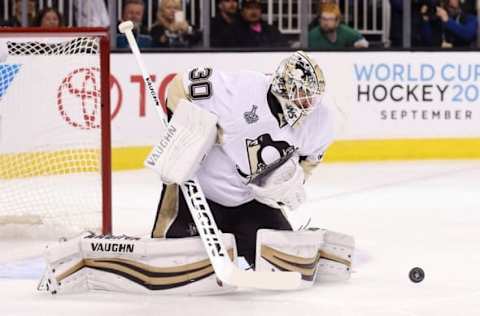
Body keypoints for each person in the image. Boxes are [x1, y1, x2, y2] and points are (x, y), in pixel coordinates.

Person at [38, 51, 354, 295]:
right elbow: (177, 87)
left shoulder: (321, 117)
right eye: (301, 96)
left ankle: (243, 235)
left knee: (281, 252)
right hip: (197, 194)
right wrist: (192, 123)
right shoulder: (237, 90)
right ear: (283, 87)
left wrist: (285, 185)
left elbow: (311, 158)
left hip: (250, 200)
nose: (308, 104)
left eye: (312, 97)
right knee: (168, 259)